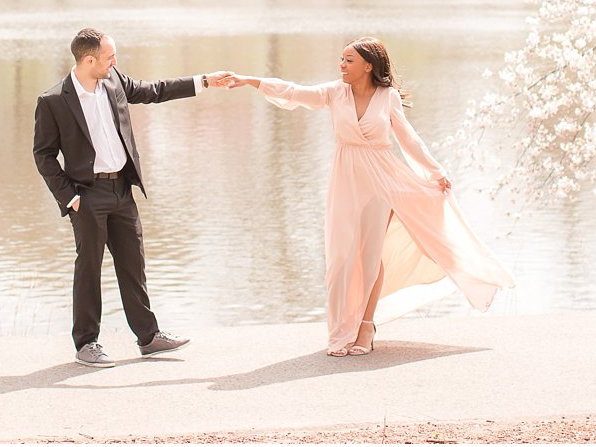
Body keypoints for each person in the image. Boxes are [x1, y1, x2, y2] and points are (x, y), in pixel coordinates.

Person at [218, 37, 513, 356]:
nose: (341, 65)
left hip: (380, 179)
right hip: (345, 176)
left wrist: (435, 171)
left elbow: (408, 139)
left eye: (349, 60)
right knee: (340, 257)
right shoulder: (334, 92)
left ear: (368, 65)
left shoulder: (387, 97)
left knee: (369, 255)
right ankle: (339, 331)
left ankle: (365, 327)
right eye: (341, 60)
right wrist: (250, 80)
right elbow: (294, 92)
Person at [32, 27, 232, 368]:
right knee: (89, 268)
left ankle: (148, 337)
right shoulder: (53, 101)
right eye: (110, 56)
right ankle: (87, 343)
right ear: (90, 59)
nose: (115, 61)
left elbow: (154, 91)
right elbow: (44, 155)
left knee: (133, 265)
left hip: (122, 191)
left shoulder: (113, 81)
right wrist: (70, 198)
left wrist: (205, 81)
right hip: (87, 195)